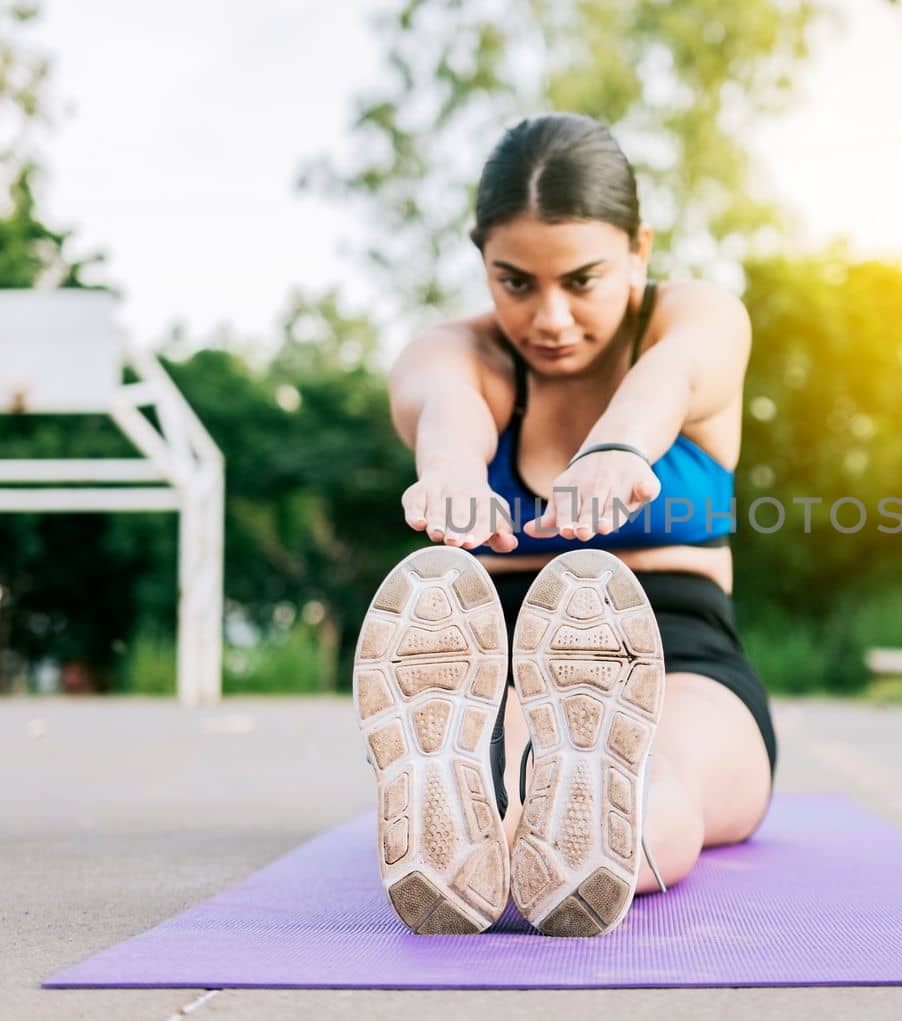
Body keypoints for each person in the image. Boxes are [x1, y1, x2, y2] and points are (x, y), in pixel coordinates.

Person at [354, 112, 775, 937]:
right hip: (499, 655)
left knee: (662, 773)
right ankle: (480, 827)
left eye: (581, 281)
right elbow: (446, 405)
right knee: (521, 763)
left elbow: (677, 374)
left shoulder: (696, 317)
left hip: (683, 644)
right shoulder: (455, 352)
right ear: (483, 262)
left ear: (640, 248)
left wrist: (617, 449)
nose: (548, 317)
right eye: (516, 282)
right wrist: (451, 476)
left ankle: (561, 838)